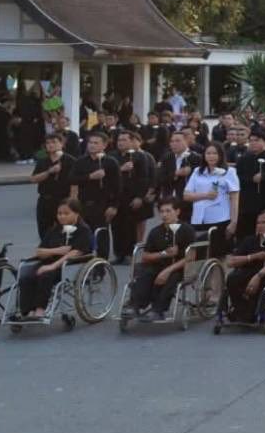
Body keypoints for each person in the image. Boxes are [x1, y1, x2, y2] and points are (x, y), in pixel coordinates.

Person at [12, 200, 93, 322]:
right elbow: (39, 252)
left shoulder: (83, 230)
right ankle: (27, 311)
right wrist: (58, 250)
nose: (61, 216)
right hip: (48, 261)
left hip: (69, 266)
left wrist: (52, 266)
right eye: (59, 213)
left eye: (66, 213)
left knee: (45, 275)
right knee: (26, 276)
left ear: (76, 214)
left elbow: (74, 253)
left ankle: (40, 310)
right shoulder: (55, 229)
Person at [126, 198, 194, 322]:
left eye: (168, 211)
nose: (164, 215)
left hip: (179, 267)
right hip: (158, 264)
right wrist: (163, 254)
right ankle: (135, 305)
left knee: (171, 276)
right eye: (162, 211)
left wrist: (168, 270)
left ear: (177, 211)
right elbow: (145, 256)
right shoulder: (155, 231)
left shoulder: (186, 230)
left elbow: (190, 257)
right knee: (142, 271)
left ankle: (158, 310)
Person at [222, 209, 265, 324]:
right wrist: (254, 257)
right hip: (247, 271)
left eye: (264, 222)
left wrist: (258, 276)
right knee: (232, 278)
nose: (259, 226)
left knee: (258, 283)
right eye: (258, 223)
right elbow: (231, 262)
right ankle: (241, 311)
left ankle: (250, 313)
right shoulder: (249, 240)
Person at [182, 142, 238, 260]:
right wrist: (205, 195)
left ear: (220, 155)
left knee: (218, 256)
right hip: (198, 219)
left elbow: (235, 198)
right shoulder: (198, 171)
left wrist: (233, 222)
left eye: (214, 153)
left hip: (220, 219)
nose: (211, 156)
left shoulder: (229, 172)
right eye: (208, 153)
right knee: (200, 255)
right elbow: (186, 195)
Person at [72, 130, 120, 261]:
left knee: (101, 235)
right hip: (84, 203)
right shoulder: (81, 161)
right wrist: (90, 177)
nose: (92, 145)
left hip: (102, 204)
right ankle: (85, 263)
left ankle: (101, 265)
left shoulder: (110, 162)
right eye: (90, 142)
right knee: (83, 235)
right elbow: (72, 179)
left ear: (104, 145)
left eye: (96, 143)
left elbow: (117, 187)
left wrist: (114, 206)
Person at [113, 129, 157, 257]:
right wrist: (121, 169)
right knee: (116, 227)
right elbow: (108, 174)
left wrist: (140, 197)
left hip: (132, 196)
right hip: (117, 197)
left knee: (130, 226)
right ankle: (118, 253)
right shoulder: (112, 156)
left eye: (124, 140)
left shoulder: (141, 156)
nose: (121, 143)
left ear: (132, 141)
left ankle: (129, 253)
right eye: (119, 140)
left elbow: (144, 179)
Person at [29, 132, 76, 240]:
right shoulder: (43, 161)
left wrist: (72, 201)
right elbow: (33, 179)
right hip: (45, 200)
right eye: (48, 143)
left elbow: (75, 183)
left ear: (62, 144)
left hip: (62, 200)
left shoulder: (70, 161)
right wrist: (49, 171)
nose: (50, 145)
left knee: (64, 231)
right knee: (44, 230)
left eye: (54, 142)